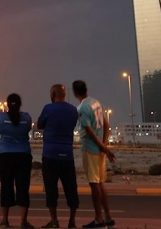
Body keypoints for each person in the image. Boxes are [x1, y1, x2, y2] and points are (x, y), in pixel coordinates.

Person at [72, 80, 116, 229]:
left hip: (90, 149)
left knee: (94, 184)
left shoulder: (82, 108)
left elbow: (89, 131)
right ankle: (108, 217)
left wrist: (103, 148)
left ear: (74, 93)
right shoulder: (96, 103)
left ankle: (99, 219)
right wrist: (104, 147)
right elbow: (107, 126)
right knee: (101, 183)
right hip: (99, 151)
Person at [37, 84, 79, 229]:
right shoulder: (73, 110)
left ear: (52, 94)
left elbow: (40, 124)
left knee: (51, 188)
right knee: (71, 188)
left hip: (50, 154)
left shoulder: (48, 108)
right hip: (67, 154)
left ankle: (54, 220)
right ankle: (72, 220)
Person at [0, 93, 34, 228]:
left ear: (7, 104)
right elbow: (28, 129)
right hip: (23, 154)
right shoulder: (27, 118)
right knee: (23, 187)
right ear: (20, 104)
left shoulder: (0, 117)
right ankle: (23, 221)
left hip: (5, 154)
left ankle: (5, 220)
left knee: (6, 186)